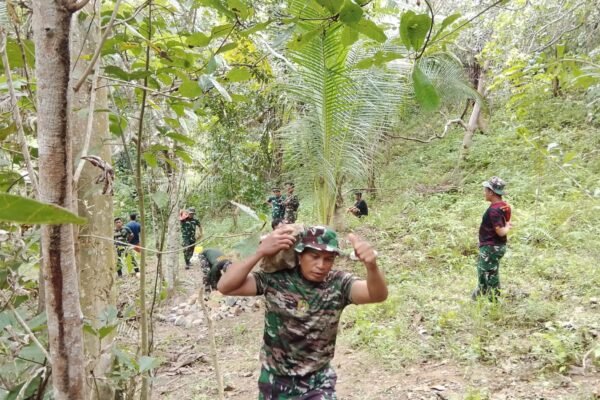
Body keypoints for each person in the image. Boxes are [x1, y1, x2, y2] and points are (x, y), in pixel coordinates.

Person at [217, 226, 388, 399]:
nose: (321, 265)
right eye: (314, 256)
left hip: (317, 381)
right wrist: (260, 252)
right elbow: (225, 286)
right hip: (275, 380)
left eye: (328, 259)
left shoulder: (338, 284)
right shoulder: (276, 279)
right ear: (300, 255)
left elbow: (377, 295)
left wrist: (371, 266)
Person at [472, 176, 512, 300]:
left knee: (488, 274)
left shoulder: (494, 210)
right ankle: (480, 296)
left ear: (491, 192)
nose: (484, 193)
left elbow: (500, 232)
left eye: (485, 190)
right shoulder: (504, 206)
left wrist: (507, 227)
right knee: (486, 271)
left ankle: (492, 300)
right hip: (494, 246)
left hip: (491, 247)